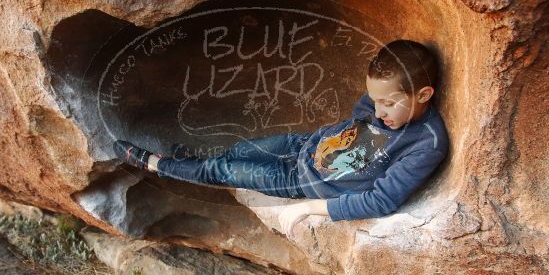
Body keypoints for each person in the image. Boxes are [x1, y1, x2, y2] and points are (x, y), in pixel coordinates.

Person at [113, 39, 449, 233]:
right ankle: (193, 161)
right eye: (375, 100)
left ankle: (158, 165)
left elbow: (381, 200)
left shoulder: (425, 144)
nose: (377, 112)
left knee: (225, 171)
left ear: (423, 94)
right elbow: (356, 123)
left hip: (299, 182)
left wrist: (309, 208)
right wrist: (321, 142)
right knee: (237, 152)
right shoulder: (380, 108)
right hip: (303, 145)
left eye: (388, 104)